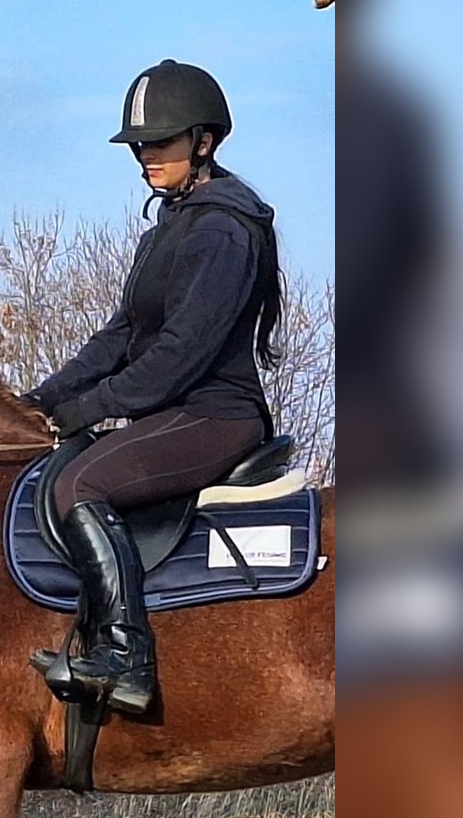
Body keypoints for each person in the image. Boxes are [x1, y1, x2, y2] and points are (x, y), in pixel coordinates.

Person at [22, 59, 284, 714]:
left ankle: (124, 658)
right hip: (174, 410)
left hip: (215, 415)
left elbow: (176, 358)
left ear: (204, 141)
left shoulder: (224, 229)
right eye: (139, 145)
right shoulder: (171, 225)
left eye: (159, 142)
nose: (145, 156)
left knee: (79, 484)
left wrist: (90, 409)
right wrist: (39, 401)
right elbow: (118, 338)